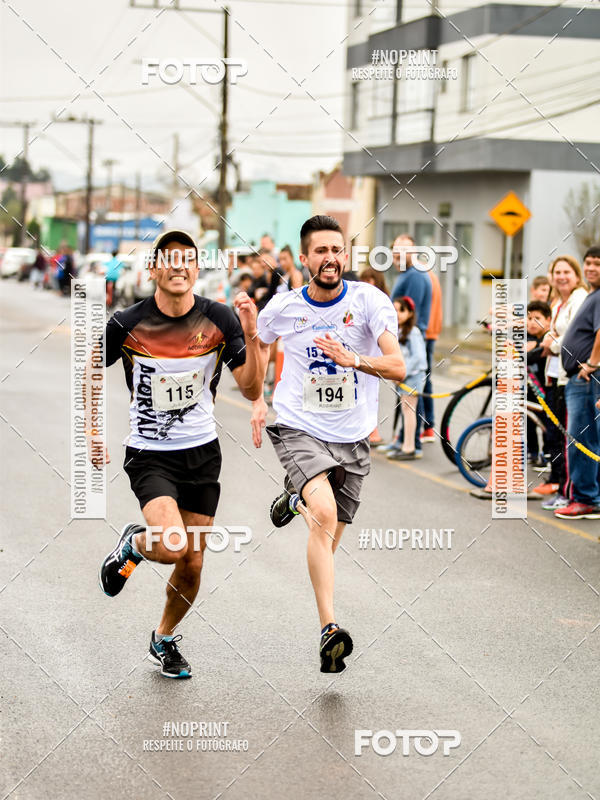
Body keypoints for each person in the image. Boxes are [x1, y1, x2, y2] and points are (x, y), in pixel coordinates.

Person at [96, 230, 264, 679]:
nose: (178, 267)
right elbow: (88, 370)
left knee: (192, 561)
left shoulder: (220, 320)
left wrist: (252, 335)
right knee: (171, 545)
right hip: (150, 454)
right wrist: (92, 431)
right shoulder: (127, 323)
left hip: (203, 455)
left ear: (196, 268)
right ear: (153, 269)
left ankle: (163, 638)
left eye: (187, 259)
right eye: (168, 259)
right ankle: (134, 543)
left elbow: (250, 388)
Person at [250, 215, 405, 673]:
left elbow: (397, 367)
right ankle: (329, 630)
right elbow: (259, 346)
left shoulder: (369, 301)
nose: (331, 258)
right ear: (304, 259)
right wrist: (258, 400)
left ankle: (295, 498)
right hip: (300, 428)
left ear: (347, 256)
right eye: (321, 251)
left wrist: (352, 358)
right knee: (325, 514)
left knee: (326, 540)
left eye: (338, 250)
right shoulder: (282, 308)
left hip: (352, 439)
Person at [534, 256, 588, 500]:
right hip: (557, 376)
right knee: (558, 435)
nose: (562, 276)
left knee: (570, 439)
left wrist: (552, 343)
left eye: (567, 271)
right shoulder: (560, 302)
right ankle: (565, 489)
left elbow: (572, 339)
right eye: (557, 272)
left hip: (574, 376)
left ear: (577, 275)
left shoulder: (579, 300)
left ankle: (572, 493)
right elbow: (554, 334)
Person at [555, 246, 600, 519]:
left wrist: (593, 363)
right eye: (589, 263)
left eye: (597, 263)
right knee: (586, 438)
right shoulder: (593, 295)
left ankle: (585, 499)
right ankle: (589, 496)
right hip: (579, 377)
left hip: (586, 378)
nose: (592, 268)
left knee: (582, 440)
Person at [390, 235, 431, 454]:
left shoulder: (415, 276)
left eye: (402, 253)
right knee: (408, 402)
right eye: (395, 253)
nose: (397, 258)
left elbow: (409, 310)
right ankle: (404, 440)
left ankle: (410, 443)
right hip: (406, 343)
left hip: (412, 343)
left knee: (412, 402)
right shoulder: (408, 274)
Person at [387, 297, 427, 461]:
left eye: (401, 310)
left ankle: (409, 447)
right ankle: (405, 444)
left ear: (410, 313)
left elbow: (418, 357)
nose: (398, 314)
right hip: (404, 376)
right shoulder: (398, 331)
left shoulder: (413, 332)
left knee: (409, 411)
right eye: (395, 310)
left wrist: (401, 372)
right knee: (406, 410)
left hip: (413, 376)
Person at [526, 300, 551, 470]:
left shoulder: (546, 339)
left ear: (548, 320)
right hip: (531, 389)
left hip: (546, 389)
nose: (532, 323)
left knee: (547, 422)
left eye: (537, 318)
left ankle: (548, 455)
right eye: (529, 318)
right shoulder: (529, 338)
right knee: (528, 419)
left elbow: (535, 355)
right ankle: (533, 452)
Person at [420, 265, 443, 444]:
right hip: (431, 333)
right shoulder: (431, 276)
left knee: (418, 381)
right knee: (425, 379)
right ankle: (428, 427)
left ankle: (425, 426)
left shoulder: (420, 276)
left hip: (424, 334)